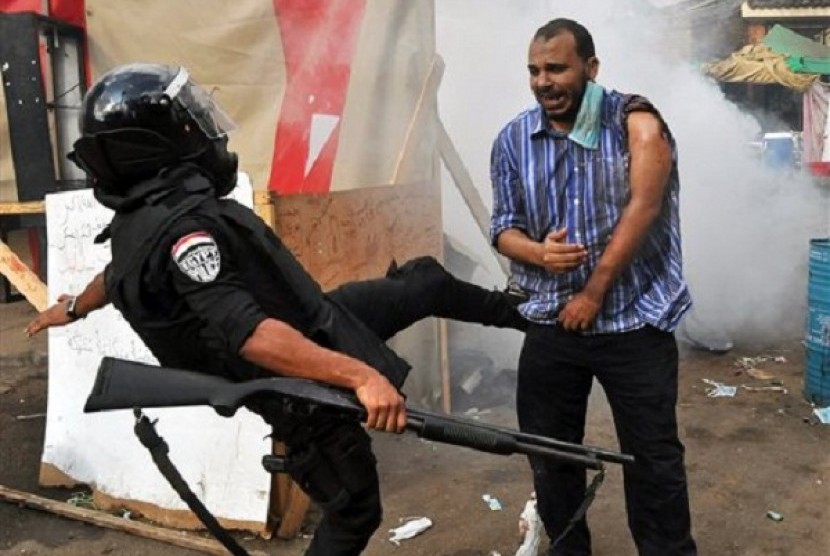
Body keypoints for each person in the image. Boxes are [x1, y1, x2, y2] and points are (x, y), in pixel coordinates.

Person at [27, 62, 526, 556]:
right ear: (155, 143)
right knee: (354, 508)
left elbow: (115, 277)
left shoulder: (146, 212)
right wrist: (360, 377)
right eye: (187, 121)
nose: (203, 129)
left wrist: (72, 308)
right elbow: (251, 336)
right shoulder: (186, 232)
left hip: (311, 324)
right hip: (292, 382)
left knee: (423, 283)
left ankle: (528, 317)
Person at [489, 19, 696, 556]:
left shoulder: (635, 124)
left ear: (591, 69)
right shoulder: (514, 139)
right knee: (551, 455)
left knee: (652, 460)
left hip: (632, 320)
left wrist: (594, 291)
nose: (543, 81)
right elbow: (502, 228)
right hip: (553, 321)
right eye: (534, 70)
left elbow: (645, 207)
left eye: (557, 68)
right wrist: (539, 253)